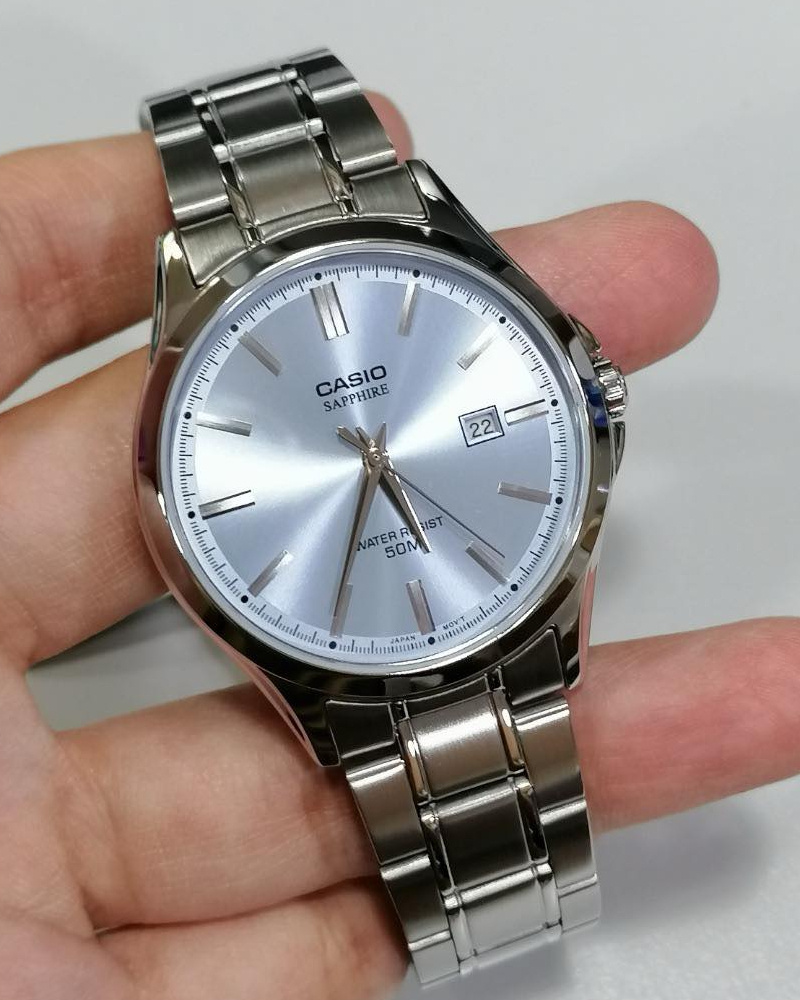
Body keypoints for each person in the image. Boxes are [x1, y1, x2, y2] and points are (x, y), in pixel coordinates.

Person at [0, 96, 796, 1000]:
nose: (377, 456)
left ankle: (494, 911)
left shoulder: (507, 359)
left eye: (382, 447)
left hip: (490, 612)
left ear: (592, 397)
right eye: (365, 456)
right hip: (349, 659)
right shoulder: (196, 421)